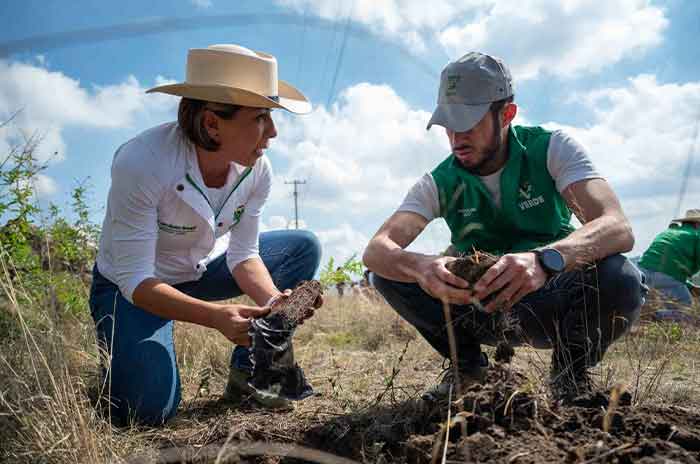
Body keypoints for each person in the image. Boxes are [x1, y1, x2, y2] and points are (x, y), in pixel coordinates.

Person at [363, 52, 646, 401]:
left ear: (507, 113)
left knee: (621, 276)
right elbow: (377, 249)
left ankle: (570, 378)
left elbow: (617, 227)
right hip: (475, 306)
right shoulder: (440, 181)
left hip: (551, 298)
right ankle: (468, 370)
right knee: (388, 273)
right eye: (449, 125)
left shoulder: (550, 149)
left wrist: (544, 260)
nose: (456, 138)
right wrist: (422, 266)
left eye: (469, 123)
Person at [89, 44, 322, 426]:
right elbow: (135, 279)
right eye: (262, 117)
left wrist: (274, 303)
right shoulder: (142, 162)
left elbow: (243, 255)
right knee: (145, 412)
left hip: (194, 274)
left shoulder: (256, 170)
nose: (274, 132)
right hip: (131, 290)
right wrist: (216, 317)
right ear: (212, 123)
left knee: (302, 247)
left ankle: (250, 374)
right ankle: (125, 361)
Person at [637, 209, 700, 321]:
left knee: (647, 304)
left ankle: (643, 316)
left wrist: (689, 286)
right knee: (687, 312)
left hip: (641, 273)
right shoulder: (697, 234)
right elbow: (668, 271)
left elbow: (665, 265)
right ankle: (654, 316)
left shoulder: (669, 232)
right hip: (665, 276)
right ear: (697, 224)